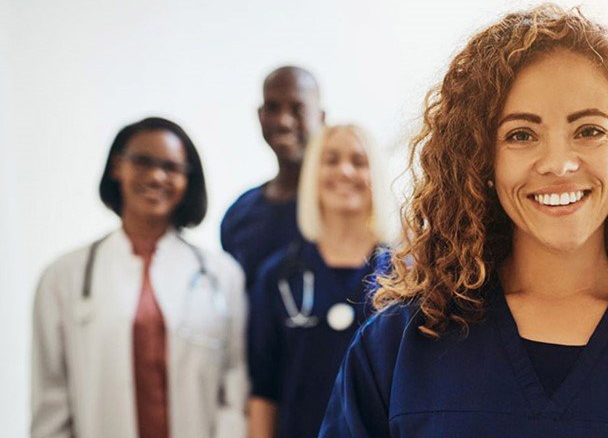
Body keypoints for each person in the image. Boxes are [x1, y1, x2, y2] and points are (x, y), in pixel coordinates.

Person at [318, 4, 608, 437]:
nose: (559, 162)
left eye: (589, 131)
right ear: (481, 159)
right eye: (521, 134)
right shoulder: (397, 354)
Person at [31, 117, 248, 437]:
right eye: (143, 161)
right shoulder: (63, 277)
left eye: (172, 167)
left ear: (188, 180)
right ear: (117, 167)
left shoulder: (222, 276)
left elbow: (234, 388)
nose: (157, 176)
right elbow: (51, 397)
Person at [248, 125, 394, 438]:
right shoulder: (278, 277)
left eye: (358, 161)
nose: (344, 171)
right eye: (331, 160)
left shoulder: (406, 276)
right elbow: (264, 391)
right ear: (313, 174)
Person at [222, 66, 327, 289]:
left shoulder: (344, 207)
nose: (283, 122)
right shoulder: (238, 216)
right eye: (272, 108)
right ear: (260, 116)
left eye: (297, 109)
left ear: (321, 118)